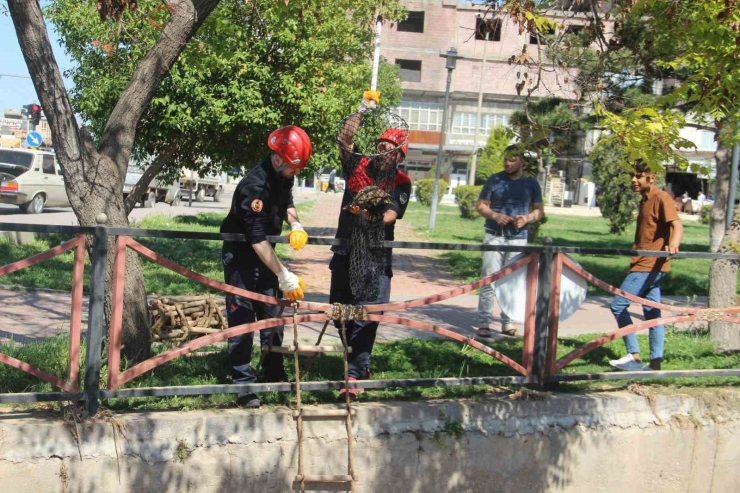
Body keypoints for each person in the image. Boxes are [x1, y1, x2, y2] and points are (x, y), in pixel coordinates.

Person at [220, 126, 312, 408]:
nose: (295, 174)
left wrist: (295, 223)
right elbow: (256, 239)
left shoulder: (283, 175)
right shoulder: (254, 186)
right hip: (242, 258)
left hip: (265, 254)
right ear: (278, 159)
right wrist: (283, 274)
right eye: (293, 169)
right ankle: (243, 384)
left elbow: (287, 203)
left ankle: (273, 373)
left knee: (273, 317)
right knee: (243, 321)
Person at [330, 91, 411, 400]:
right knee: (340, 311)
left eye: (390, 147)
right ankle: (354, 361)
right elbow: (346, 140)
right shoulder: (357, 166)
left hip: (375, 255)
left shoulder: (401, 181)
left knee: (369, 312)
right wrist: (361, 109)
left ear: (400, 156)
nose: (383, 149)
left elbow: (391, 215)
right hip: (345, 250)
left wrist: (366, 215)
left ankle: (353, 373)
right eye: (380, 144)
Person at [609, 162, 683, 371]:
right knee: (652, 312)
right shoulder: (645, 200)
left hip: (648, 265)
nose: (634, 180)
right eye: (633, 176)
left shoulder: (661, 198)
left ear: (652, 178)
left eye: (639, 176)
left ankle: (634, 356)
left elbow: (676, 224)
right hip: (648, 263)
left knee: (617, 305)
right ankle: (656, 363)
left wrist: (674, 245)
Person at [474, 145, 544, 338]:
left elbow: (539, 210)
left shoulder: (531, 183)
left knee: (513, 282)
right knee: (489, 278)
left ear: (522, 160)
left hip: (518, 238)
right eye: (505, 159)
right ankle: (484, 323)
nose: (507, 163)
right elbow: (480, 206)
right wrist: (494, 215)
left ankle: (508, 322)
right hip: (494, 235)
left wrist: (527, 218)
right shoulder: (494, 179)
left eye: (512, 159)